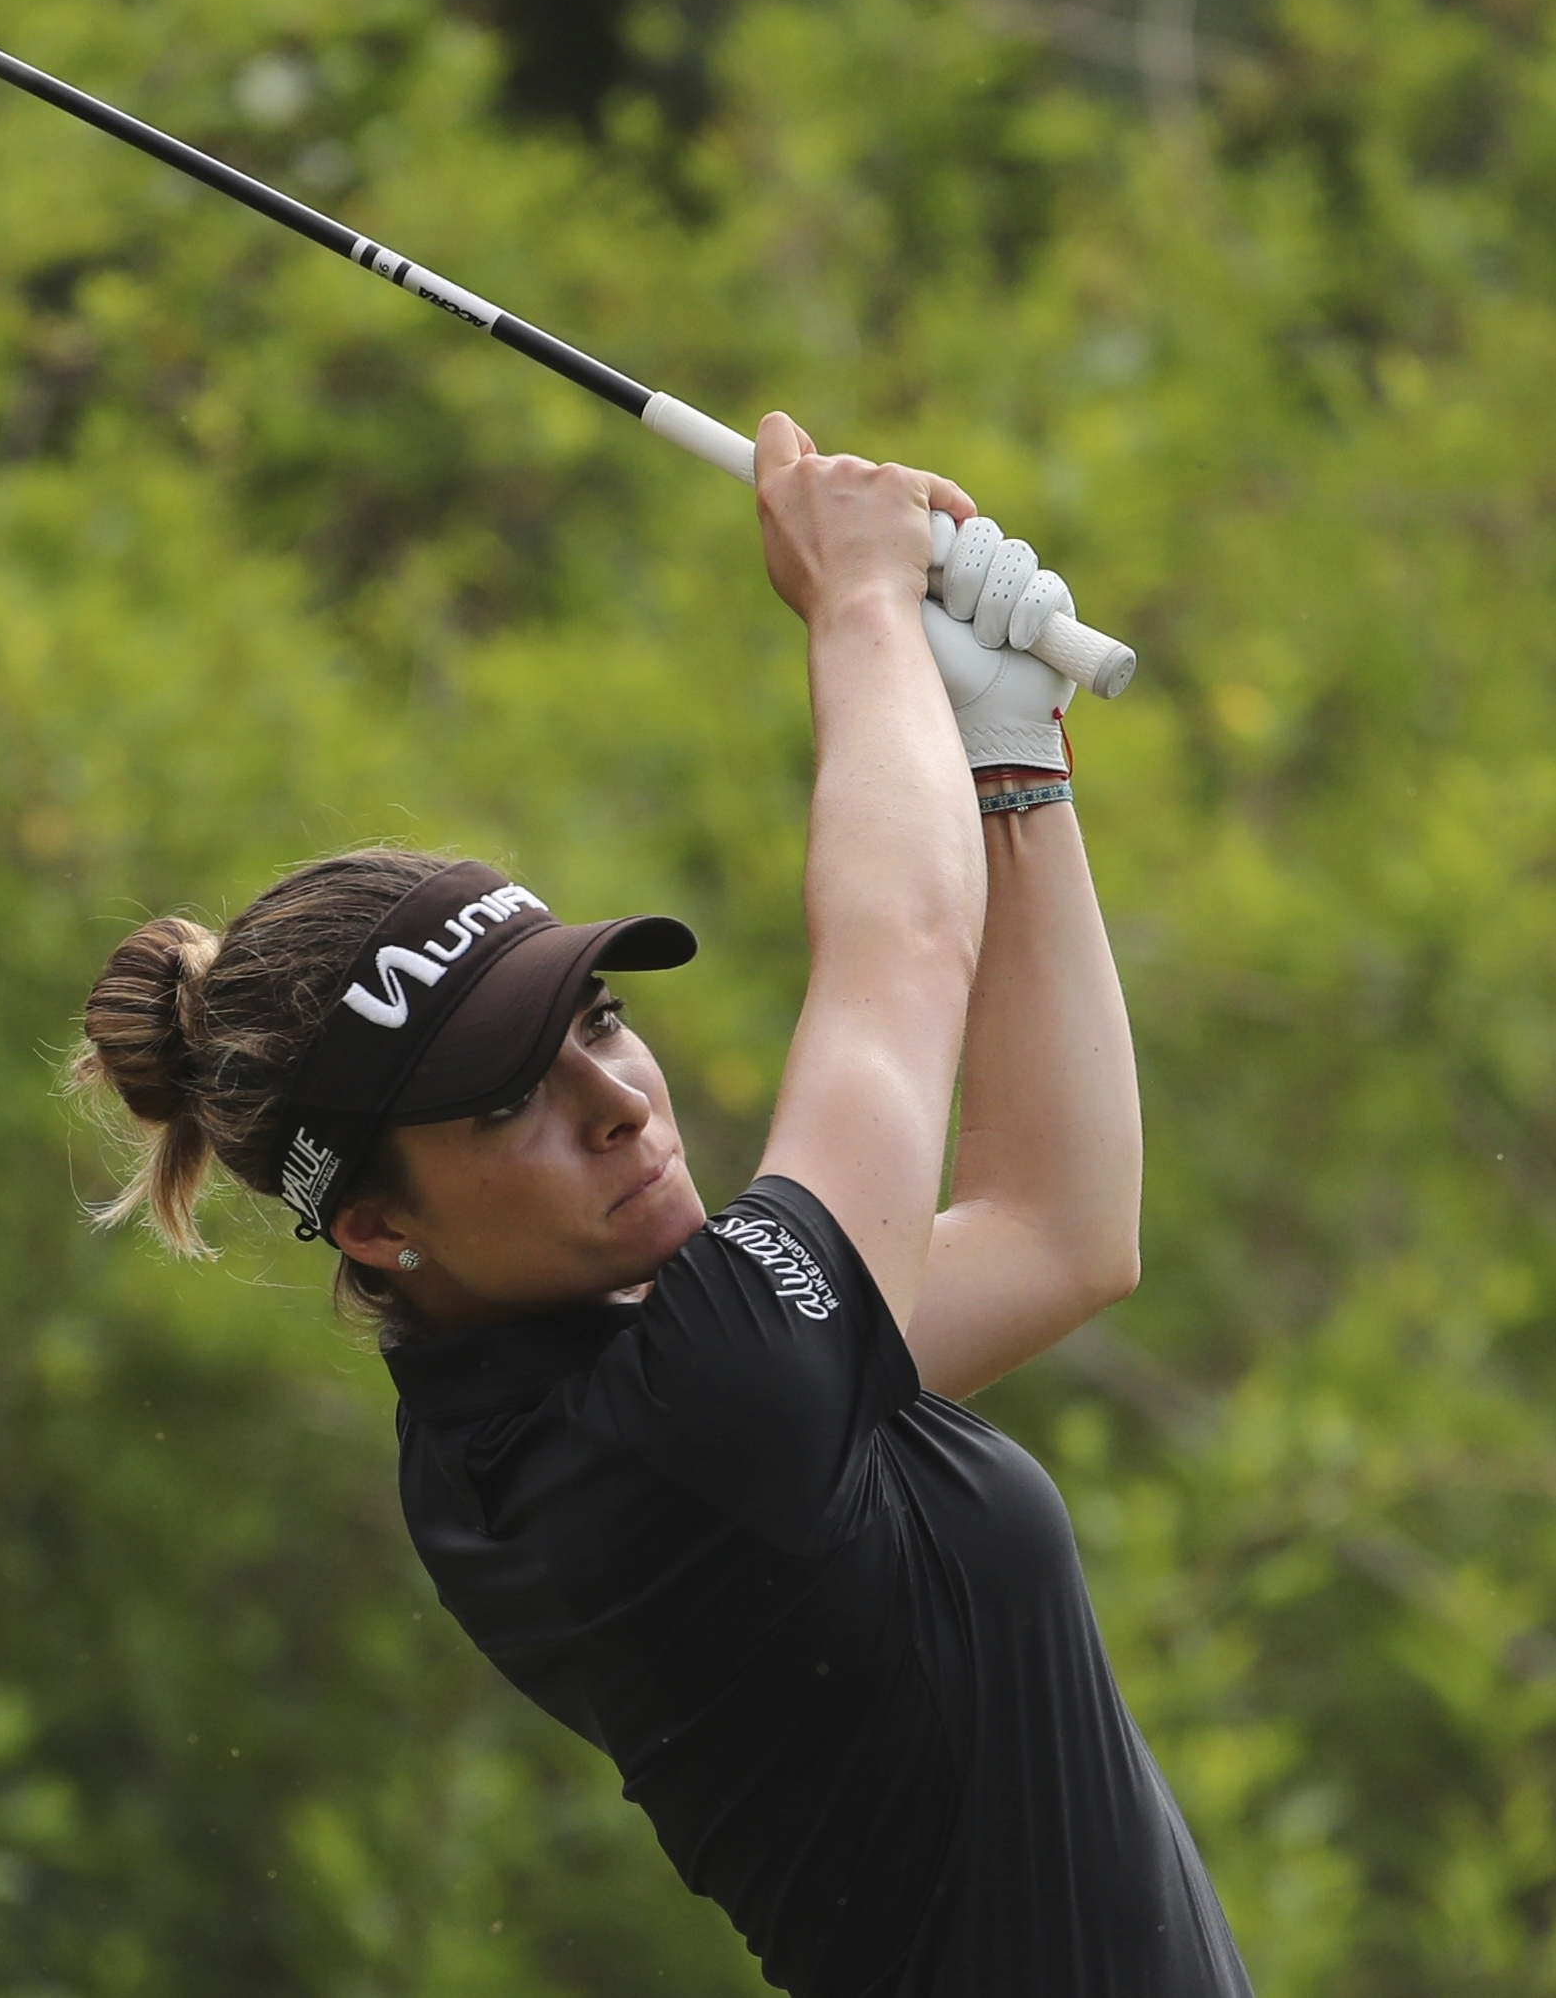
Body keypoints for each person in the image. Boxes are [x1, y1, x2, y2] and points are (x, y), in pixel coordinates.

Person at [72, 413, 1251, 1997]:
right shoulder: (688, 1417)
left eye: (597, 1018)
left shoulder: (549, 1401)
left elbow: (1056, 1228)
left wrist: (1010, 755)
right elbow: (899, 945)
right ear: (372, 1225)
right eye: (507, 1099)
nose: (615, 1097)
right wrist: (853, 610)